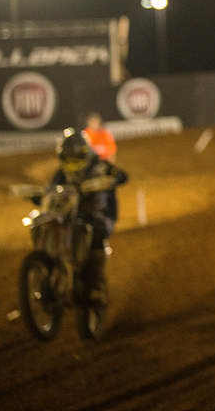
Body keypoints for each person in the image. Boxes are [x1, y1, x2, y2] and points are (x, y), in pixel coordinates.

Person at [47, 128, 128, 302]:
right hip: (71, 214)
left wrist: (110, 181)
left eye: (75, 157)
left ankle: (95, 285)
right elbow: (51, 189)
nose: (72, 161)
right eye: (69, 157)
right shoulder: (61, 173)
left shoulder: (101, 165)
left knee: (96, 234)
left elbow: (122, 175)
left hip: (100, 213)